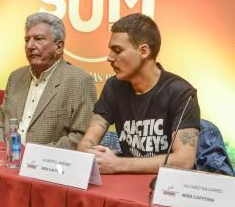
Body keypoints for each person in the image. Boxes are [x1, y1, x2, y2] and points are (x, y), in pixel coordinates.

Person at [77, 13, 200, 174]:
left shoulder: (181, 92)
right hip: (127, 185)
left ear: (143, 51)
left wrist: (119, 164)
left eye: (117, 50)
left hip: (165, 188)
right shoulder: (114, 86)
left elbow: (185, 161)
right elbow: (87, 141)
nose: (109, 58)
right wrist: (89, 152)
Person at [0, 12, 96, 149]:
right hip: (8, 161)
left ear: (59, 47)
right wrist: (4, 150)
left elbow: (80, 137)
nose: (30, 45)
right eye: (27, 40)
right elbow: (0, 124)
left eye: (38, 39)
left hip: (49, 166)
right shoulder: (15, 77)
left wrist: (35, 156)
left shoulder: (79, 81)